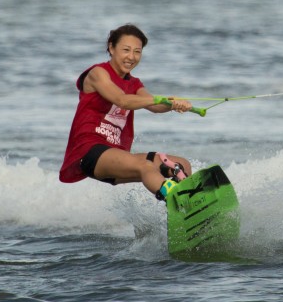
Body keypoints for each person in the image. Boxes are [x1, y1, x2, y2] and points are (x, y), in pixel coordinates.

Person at [59, 24, 193, 200]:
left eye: (137, 51)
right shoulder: (98, 73)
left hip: (116, 156)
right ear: (111, 47)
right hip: (90, 151)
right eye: (126, 50)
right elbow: (122, 100)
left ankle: (189, 211)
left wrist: (172, 105)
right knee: (145, 166)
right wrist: (160, 100)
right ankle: (179, 202)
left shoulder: (134, 84)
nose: (131, 57)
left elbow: (153, 106)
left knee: (181, 164)